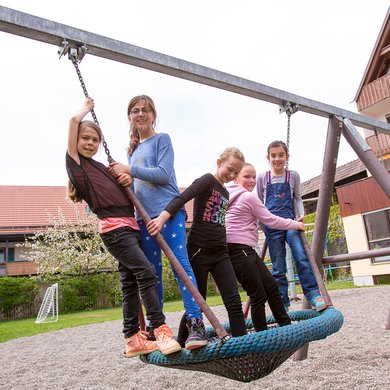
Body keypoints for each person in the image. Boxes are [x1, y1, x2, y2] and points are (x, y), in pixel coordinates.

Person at [66, 97, 182, 358]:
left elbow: (125, 188)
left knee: (130, 282)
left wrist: (126, 176)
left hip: (129, 227)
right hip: (115, 230)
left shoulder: (100, 167)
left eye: (94, 140)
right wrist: (87, 109)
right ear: (75, 142)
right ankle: (160, 329)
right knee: (146, 271)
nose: (90, 143)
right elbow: (73, 121)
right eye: (85, 138)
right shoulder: (77, 166)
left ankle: (132, 338)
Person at [108, 95, 208, 350]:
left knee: (180, 265)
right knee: (151, 273)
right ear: (129, 117)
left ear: (153, 115)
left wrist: (130, 170)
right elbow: (135, 189)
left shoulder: (162, 140)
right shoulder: (131, 151)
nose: (140, 114)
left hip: (168, 212)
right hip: (143, 218)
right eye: (135, 111)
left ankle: (196, 323)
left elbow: (163, 175)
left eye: (145, 110)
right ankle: (157, 326)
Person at [147, 147, 248, 344]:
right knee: (197, 302)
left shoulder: (226, 191)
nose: (232, 174)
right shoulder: (207, 180)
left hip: (221, 252)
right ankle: (183, 341)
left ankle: (242, 346)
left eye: (236, 172)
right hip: (199, 251)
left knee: (234, 301)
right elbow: (182, 198)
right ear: (219, 162)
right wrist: (161, 218)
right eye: (230, 168)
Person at [226, 163, 305, 331]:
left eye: (254, 177)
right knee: (258, 295)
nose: (252, 180)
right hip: (238, 249)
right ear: (235, 177)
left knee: (271, 286)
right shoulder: (248, 197)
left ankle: (285, 325)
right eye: (246, 176)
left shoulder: (228, 196)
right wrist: (295, 225)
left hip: (244, 250)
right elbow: (271, 220)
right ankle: (262, 335)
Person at [256, 140, 327, 312]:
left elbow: (297, 198)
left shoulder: (293, 175)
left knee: (301, 257)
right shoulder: (262, 178)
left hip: (291, 222)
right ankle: (283, 302)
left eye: (281, 155)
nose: (277, 158)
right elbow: (257, 202)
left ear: (287, 157)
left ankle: (312, 294)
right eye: (274, 155)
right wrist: (262, 224)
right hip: (272, 226)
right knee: (278, 266)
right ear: (268, 157)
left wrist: (300, 216)